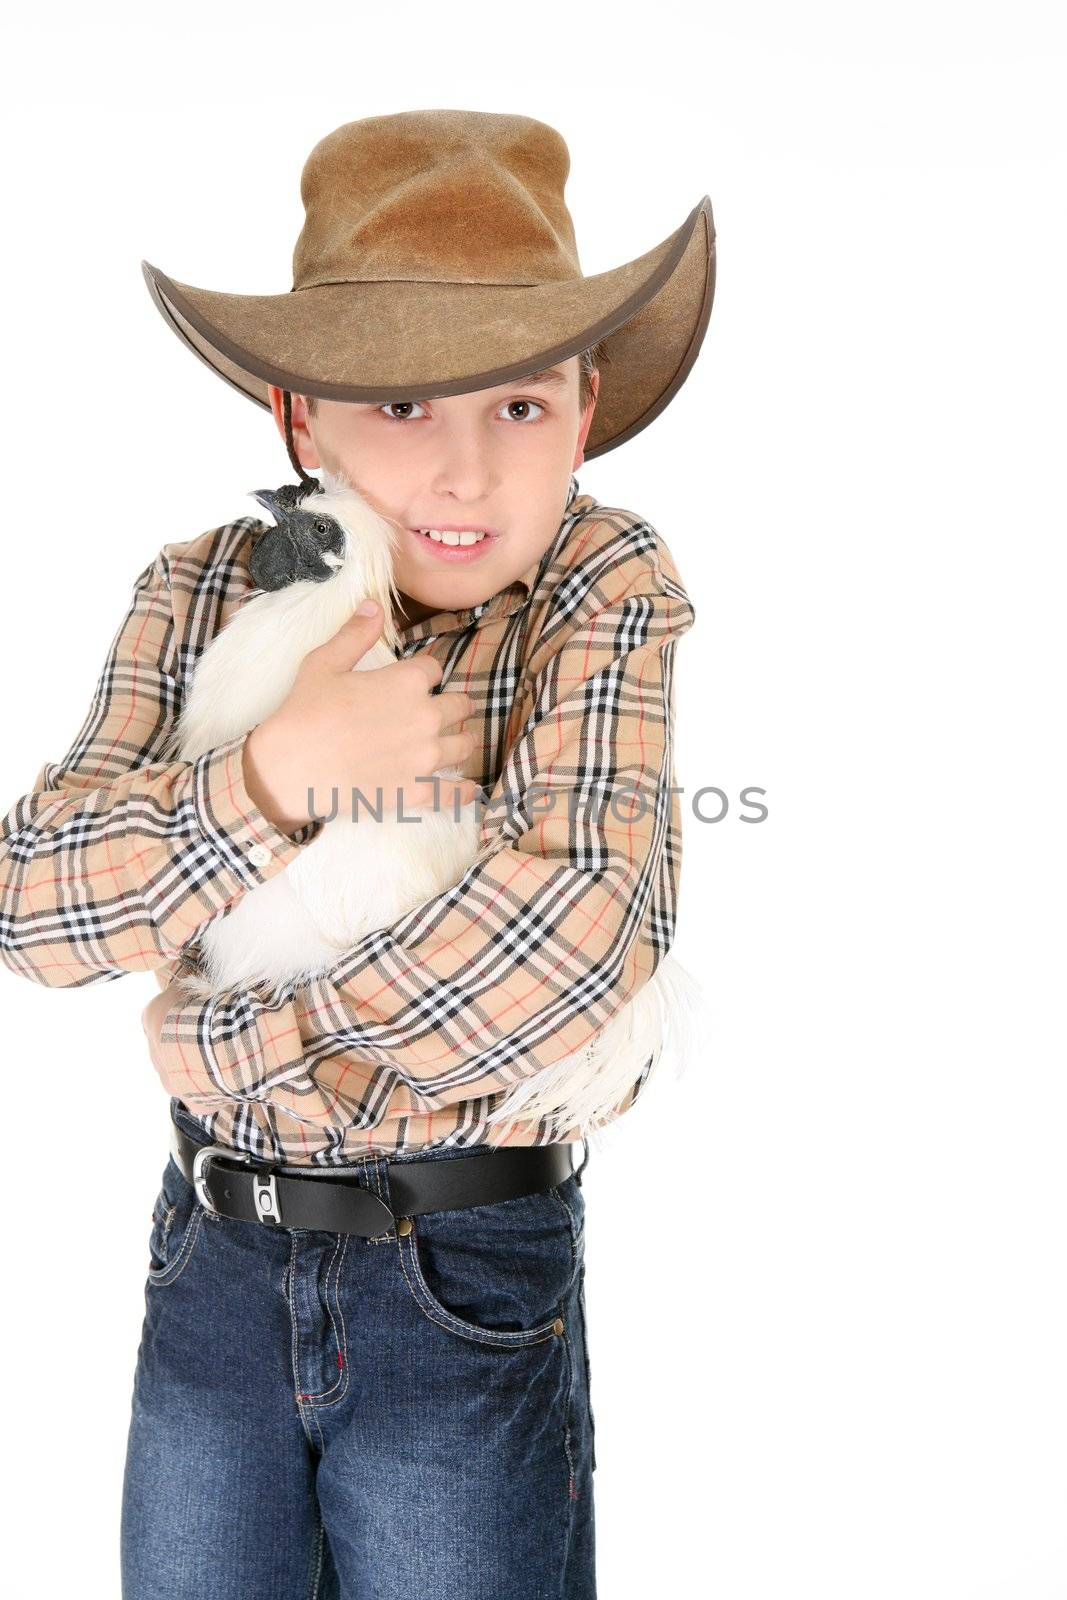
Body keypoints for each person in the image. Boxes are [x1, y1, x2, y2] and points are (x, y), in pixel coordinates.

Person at [0, 109, 716, 1599]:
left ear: (584, 412)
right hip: (212, 1263)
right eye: (400, 409)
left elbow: (566, 947)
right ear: (296, 419)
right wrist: (275, 777)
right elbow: (28, 903)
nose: (463, 474)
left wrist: (226, 1035)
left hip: (458, 1274)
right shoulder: (196, 591)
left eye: (516, 409)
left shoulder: (600, 585)